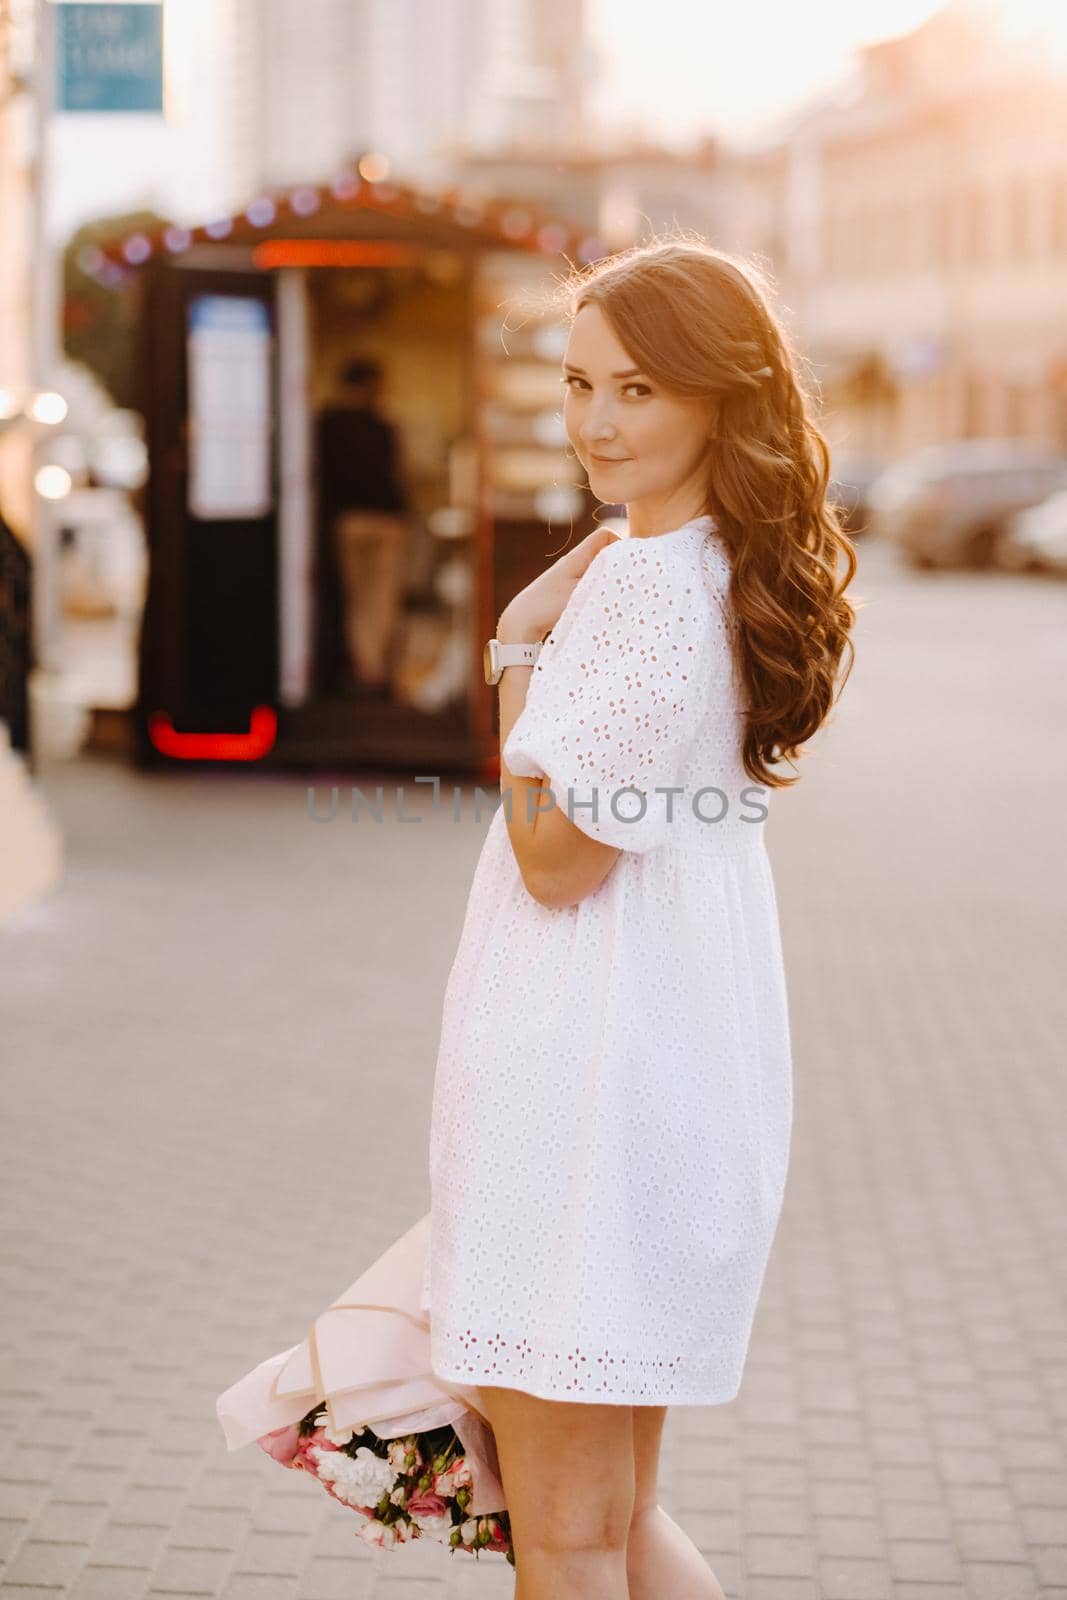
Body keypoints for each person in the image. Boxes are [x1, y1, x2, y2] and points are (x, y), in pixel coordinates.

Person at [425, 236, 859, 1597]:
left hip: (585, 1099)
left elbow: (553, 862)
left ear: (718, 401)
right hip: (664, 1080)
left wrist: (511, 649)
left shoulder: (643, 596)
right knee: (609, 1521)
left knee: (557, 1538)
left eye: (636, 391)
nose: (596, 425)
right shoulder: (713, 566)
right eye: (576, 385)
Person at [316, 357, 410, 696]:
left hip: (347, 520)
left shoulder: (325, 424)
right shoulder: (382, 427)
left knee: (355, 598)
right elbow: (398, 473)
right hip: (386, 519)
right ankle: (374, 669)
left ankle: (365, 668)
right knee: (380, 597)